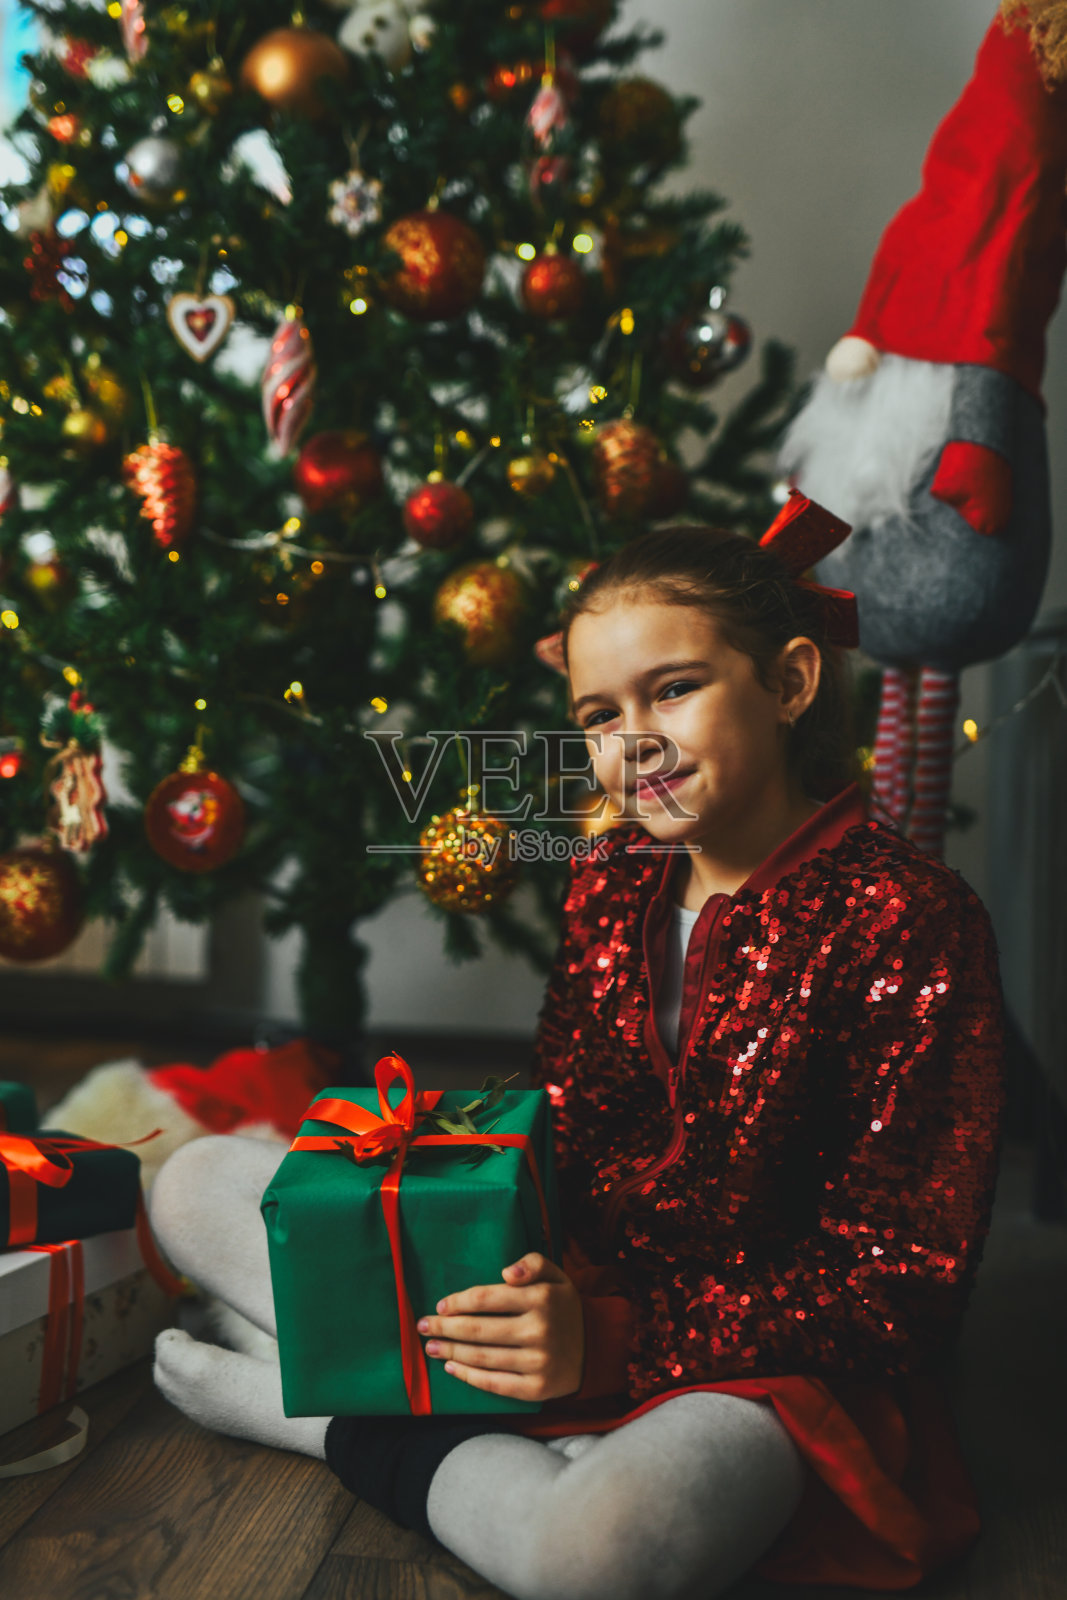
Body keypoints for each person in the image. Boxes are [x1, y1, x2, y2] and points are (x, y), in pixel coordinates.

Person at [149, 498, 1007, 1600]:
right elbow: (568, 1120)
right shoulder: (613, 881)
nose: (630, 741)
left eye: (674, 688)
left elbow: (897, 1281)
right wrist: (469, 1222)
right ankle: (499, 1439)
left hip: (759, 1364)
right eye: (598, 714)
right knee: (193, 1184)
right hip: (568, 1288)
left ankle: (319, 1415)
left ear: (789, 683)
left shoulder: (908, 917)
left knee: (594, 1554)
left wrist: (617, 1346)